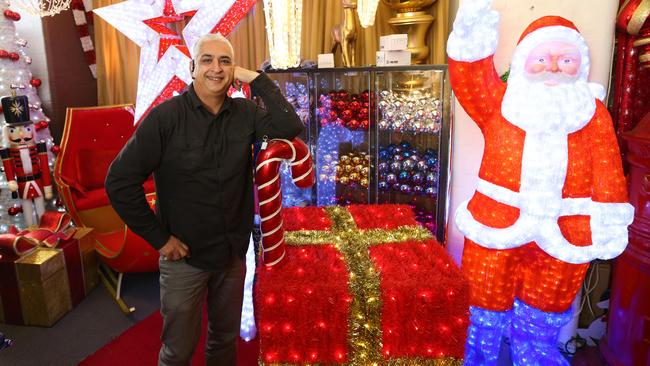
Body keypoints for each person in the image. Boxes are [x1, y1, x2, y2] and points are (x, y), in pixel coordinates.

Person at [446, 1, 634, 365]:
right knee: (484, 296)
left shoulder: (593, 115)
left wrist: (608, 222)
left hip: (565, 232)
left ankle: (534, 353)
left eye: (565, 60)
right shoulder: (500, 103)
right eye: (542, 58)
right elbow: (469, 74)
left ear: (580, 65)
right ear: (522, 63)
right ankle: (478, 354)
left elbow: (609, 172)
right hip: (497, 224)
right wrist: (472, 22)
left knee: (547, 303)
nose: (553, 67)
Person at [105, 33, 303, 366]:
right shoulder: (165, 118)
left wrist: (257, 79)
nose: (216, 68)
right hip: (184, 259)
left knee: (223, 343)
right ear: (191, 67)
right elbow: (119, 182)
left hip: (232, 254)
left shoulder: (245, 113)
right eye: (207, 60)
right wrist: (159, 238)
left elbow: (289, 125)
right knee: (177, 352)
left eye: (225, 61)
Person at [0, 93, 52, 227]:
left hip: (38, 181)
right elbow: (9, 167)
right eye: (14, 131)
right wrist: (11, 180)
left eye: (26, 129)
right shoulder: (8, 152)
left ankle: (44, 229)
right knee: (27, 208)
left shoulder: (39, 148)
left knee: (41, 208)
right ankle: (31, 231)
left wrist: (47, 186)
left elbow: (45, 167)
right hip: (22, 184)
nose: (21, 134)